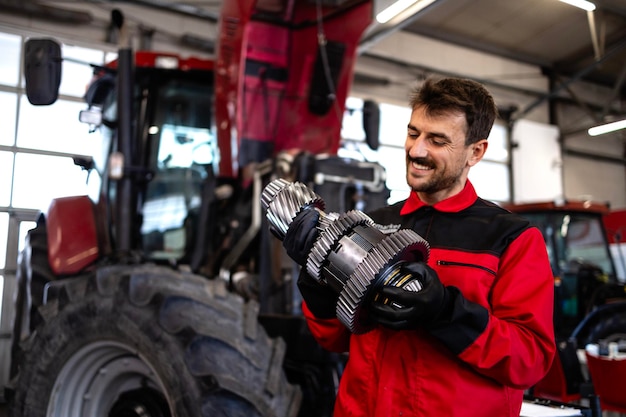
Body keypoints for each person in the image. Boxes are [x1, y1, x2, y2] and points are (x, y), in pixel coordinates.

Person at [282, 77, 556, 416]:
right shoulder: (369, 225)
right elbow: (335, 340)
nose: (417, 150)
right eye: (414, 133)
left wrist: (447, 312)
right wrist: (318, 290)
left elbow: (530, 360)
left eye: (437, 140)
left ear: (476, 151)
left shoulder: (511, 238)